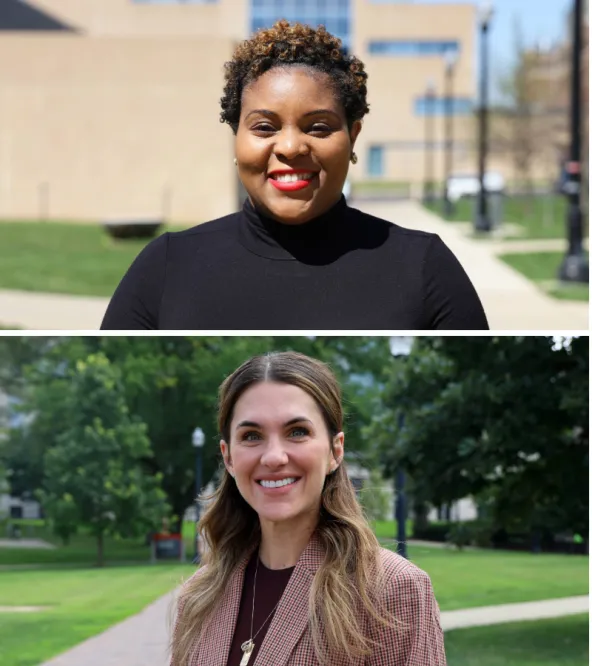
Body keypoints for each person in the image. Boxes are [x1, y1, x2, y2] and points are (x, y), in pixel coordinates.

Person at [102, 20, 488, 330]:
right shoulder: (167, 268)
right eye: (264, 127)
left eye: (318, 127)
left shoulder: (424, 269)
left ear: (353, 137)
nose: (289, 147)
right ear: (236, 137)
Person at [168, 351, 445, 665]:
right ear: (228, 457)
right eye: (251, 436)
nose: (273, 457)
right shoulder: (198, 597)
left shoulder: (392, 590)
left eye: (297, 432)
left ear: (334, 451)